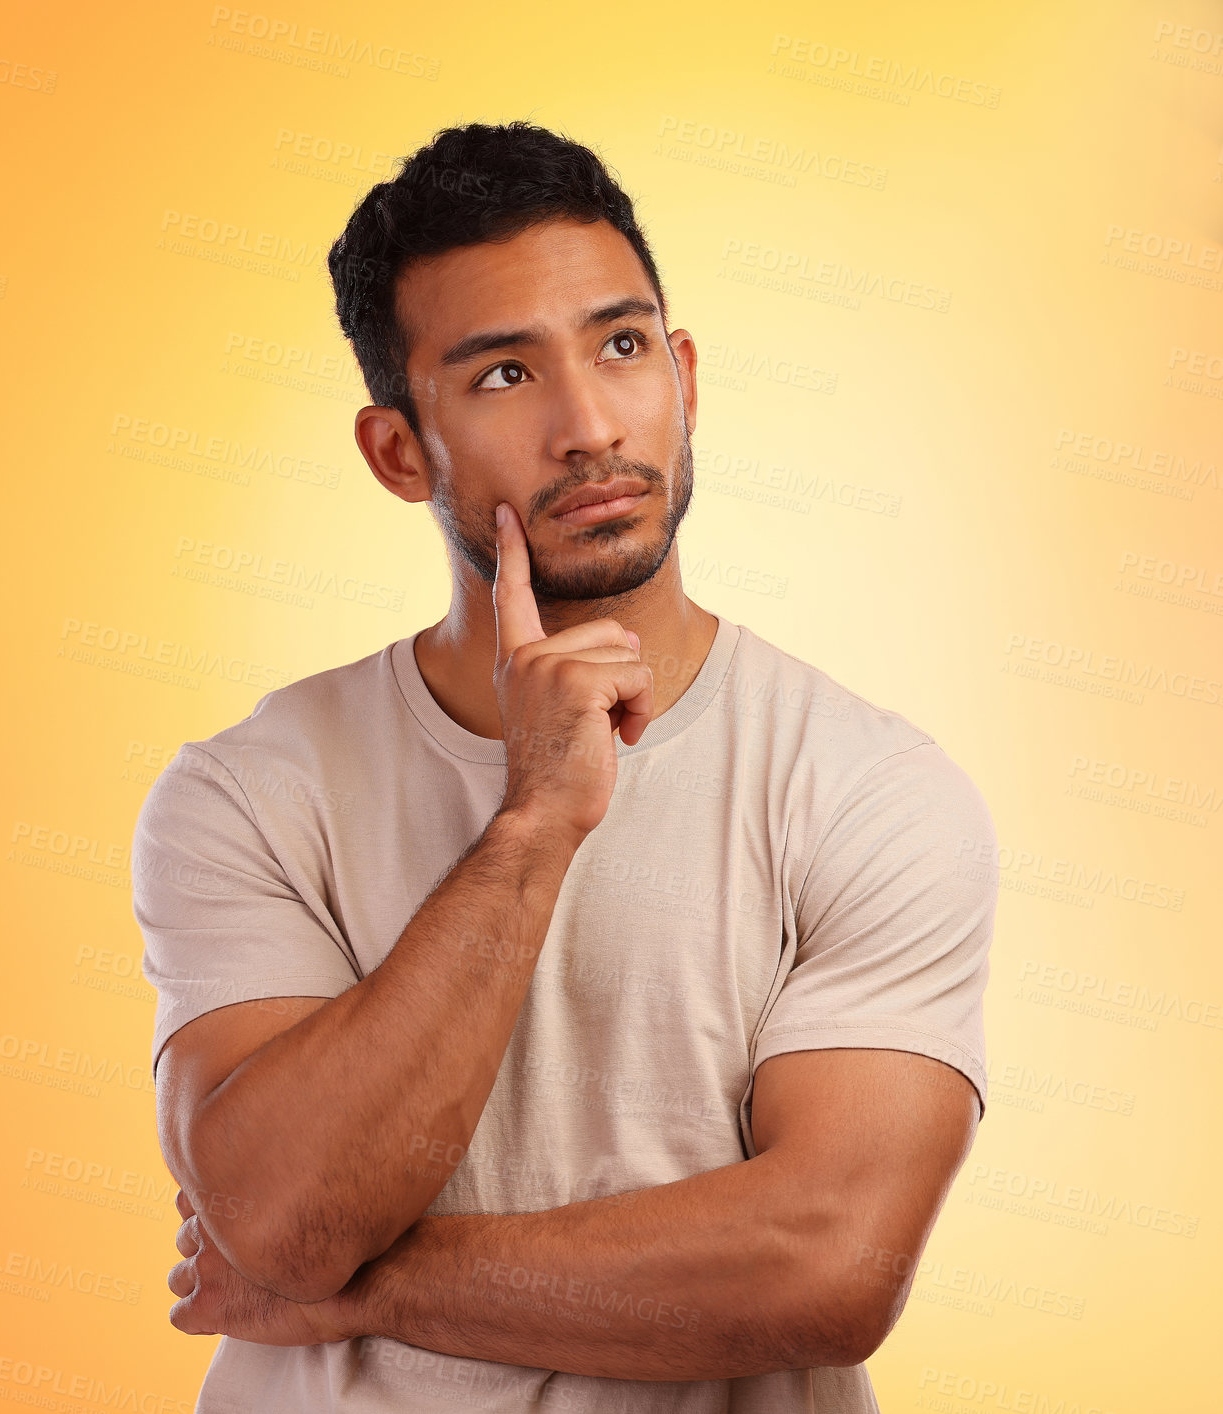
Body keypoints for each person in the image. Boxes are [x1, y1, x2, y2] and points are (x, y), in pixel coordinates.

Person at [131, 119, 999, 1413]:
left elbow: (828, 1259)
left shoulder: (866, 787)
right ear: (396, 453)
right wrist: (531, 826)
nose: (590, 424)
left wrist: (366, 1285)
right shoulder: (247, 793)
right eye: (500, 378)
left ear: (684, 375)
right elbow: (282, 1217)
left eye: (621, 345)